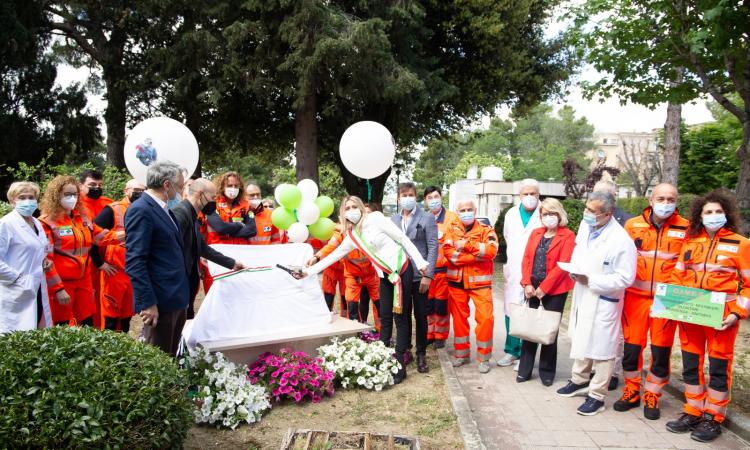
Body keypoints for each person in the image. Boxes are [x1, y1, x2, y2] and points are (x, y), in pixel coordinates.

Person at [301, 195, 428, 384]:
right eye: (347, 208)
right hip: (384, 276)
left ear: (360, 207)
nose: (352, 210)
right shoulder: (352, 237)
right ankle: (383, 357)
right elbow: (334, 256)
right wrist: (308, 271)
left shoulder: (375, 218)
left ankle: (400, 364)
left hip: (401, 270)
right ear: (343, 214)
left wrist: (420, 263)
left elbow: (402, 238)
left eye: (354, 206)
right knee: (384, 316)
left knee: (399, 317)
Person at [665, 190, 750, 442]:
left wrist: (737, 312)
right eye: (708, 212)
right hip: (691, 311)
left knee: (718, 367)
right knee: (691, 364)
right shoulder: (690, 243)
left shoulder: (741, 244)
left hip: (722, 316)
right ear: (700, 217)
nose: (714, 216)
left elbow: (748, 285)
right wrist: (669, 305)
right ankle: (692, 410)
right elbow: (676, 278)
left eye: (718, 212)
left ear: (727, 214)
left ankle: (713, 417)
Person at [556, 191, 636, 416]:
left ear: (608, 214)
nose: (586, 214)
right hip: (584, 293)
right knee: (582, 337)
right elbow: (580, 253)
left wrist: (591, 280)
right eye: (586, 208)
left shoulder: (621, 240)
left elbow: (625, 278)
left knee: (603, 348)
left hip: (604, 299)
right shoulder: (586, 227)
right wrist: (574, 269)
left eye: (592, 211)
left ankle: (597, 395)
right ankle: (579, 380)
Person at [613, 183, 689, 419]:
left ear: (676, 201)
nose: (666, 203)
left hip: (667, 302)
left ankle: (653, 394)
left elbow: (688, 265)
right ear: (651, 199)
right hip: (635, 299)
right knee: (632, 350)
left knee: (661, 351)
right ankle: (632, 390)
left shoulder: (687, 228)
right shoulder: (632, 225)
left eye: (670, 199)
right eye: (661, 198)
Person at [125, 161, 191, 355]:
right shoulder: (142, 209)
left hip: (175, 296)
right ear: (167, 185)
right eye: (179, 186)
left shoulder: (164, 209)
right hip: (160, 300)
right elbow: (135, 261)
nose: (181, 191)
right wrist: (147, 302)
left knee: (170, 354)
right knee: (157, 357)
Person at [39, 176, 121, 326]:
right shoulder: (47, 222)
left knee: (87, 323)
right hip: (63, 284)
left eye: (75, 194)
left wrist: (128, 235)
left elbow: (102, 236)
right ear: (56, 196)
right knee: (62, 327)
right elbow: (47, 260)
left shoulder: (83, 219)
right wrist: (58, 289)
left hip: (84, 282)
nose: (72, 198)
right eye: (67, 194)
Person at [517, 198, 575, 386]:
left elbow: (563, 265)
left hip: (555, 290)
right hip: (532, 288)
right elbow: (526, 259)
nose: (548, 217)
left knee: (549, 331)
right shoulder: (536, 233)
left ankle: (547, 370)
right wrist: (526, 283)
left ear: (559, 215)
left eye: (552, 213)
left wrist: (545, 288)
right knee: (529, 329)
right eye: (545, 214)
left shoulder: (567, 236)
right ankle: (525, 369)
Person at [171, 178, 244, 319]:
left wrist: (232, 263)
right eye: (212, 198)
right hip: (177, 286)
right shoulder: (180, 214)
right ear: (199, 194)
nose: (214, 202)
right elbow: (171, 250)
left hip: (186, 287)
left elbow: (202, 248)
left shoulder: (192, 216)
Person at [445, 198, 499, 374]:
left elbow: (491, 251)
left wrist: (466, 245)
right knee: (459, 322)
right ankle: (462, 354)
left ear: (475, 211)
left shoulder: (486, 230)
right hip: (456, 283)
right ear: (457, 211)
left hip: (480, 284)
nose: (466, 212)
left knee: (486, 320)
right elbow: (449, 255)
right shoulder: (450, 231)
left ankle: (484, 358)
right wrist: (475, 256)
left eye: (469, 209)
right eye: (462, 209)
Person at [390, 182, 438, 373]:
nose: (407, 198)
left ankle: (421, 354)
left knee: (420, 316)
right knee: (403, 315)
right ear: (398, 198)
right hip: (400, 277)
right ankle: (406, 350)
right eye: (404, 195)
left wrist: (428, 276)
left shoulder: (426, 218)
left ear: (416, 196)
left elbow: (433, 247)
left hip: (420, 277)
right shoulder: (393, 220)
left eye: (410, 194)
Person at [592, 179, 633, 390]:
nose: (598, 199)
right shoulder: (590, 221)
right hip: (591, 287)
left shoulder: (626, 222)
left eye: (603, 195)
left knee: (613, 335)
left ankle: (613, 372)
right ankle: (593, 369)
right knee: (593, 331)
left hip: (612, 288)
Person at [93, 179, 146, 332]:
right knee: (110, 314)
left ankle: (124, 348)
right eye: (136, 189)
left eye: (143, 190)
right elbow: (93, 237)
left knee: (127, 314)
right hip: (115, 271)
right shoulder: (112, 209)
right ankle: (108, 350)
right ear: (126, 191)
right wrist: (100, 263)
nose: (140, 193)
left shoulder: (146, 209)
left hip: (134, 271)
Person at [499, 179, 541, 369]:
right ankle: (511, 351)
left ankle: (526, 355)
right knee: (511, 310)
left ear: (539, 195)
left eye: (533, 193)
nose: (530, 197)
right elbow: (507, 237)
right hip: (515, 269)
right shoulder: (511, 214)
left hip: (535, 271)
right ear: (519, 195)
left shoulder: (544, 212)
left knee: (529, 312)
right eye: (526, 194)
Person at [0, 181, 52, 332]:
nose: (27, 201)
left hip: (37, 287)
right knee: (14, 336)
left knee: (36, 332)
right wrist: (17, 278)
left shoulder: (36, 223)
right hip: (15, 290)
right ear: (12, 201)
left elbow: (37, 250)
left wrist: (44, 261)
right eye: (22, 197)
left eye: (31, 197)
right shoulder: (6, 224)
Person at [423, 186, 461, 349]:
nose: (433, 200)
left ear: (441, 197)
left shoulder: (452, 218)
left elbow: (458, 241)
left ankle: (441, 335)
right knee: (428, 305)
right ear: (425, 200)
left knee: (442, 306)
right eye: (429, 198)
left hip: (445, 272)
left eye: (436, 196)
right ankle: (429, 333)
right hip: (427, 273)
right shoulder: (423, 218)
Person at [79, 169, 113, 329]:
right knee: (87, 301)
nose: (96, 188)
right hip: (85, 261)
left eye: (99, 185)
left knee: (105, 299)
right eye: (92, 184)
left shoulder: (108, 204)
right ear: (81, 186)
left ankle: (103, 332)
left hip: (108, 259)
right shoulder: (76, 206)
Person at [206, 172, 256, 245]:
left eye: (236, 186)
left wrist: (228, 234)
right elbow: (220, 227)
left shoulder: (245, 205)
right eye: (229, 186)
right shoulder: (211, 204)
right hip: (218, 249)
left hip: (240, 250)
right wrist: (239, 225)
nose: (233, 188)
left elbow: (252, 230)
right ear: (222, 187)